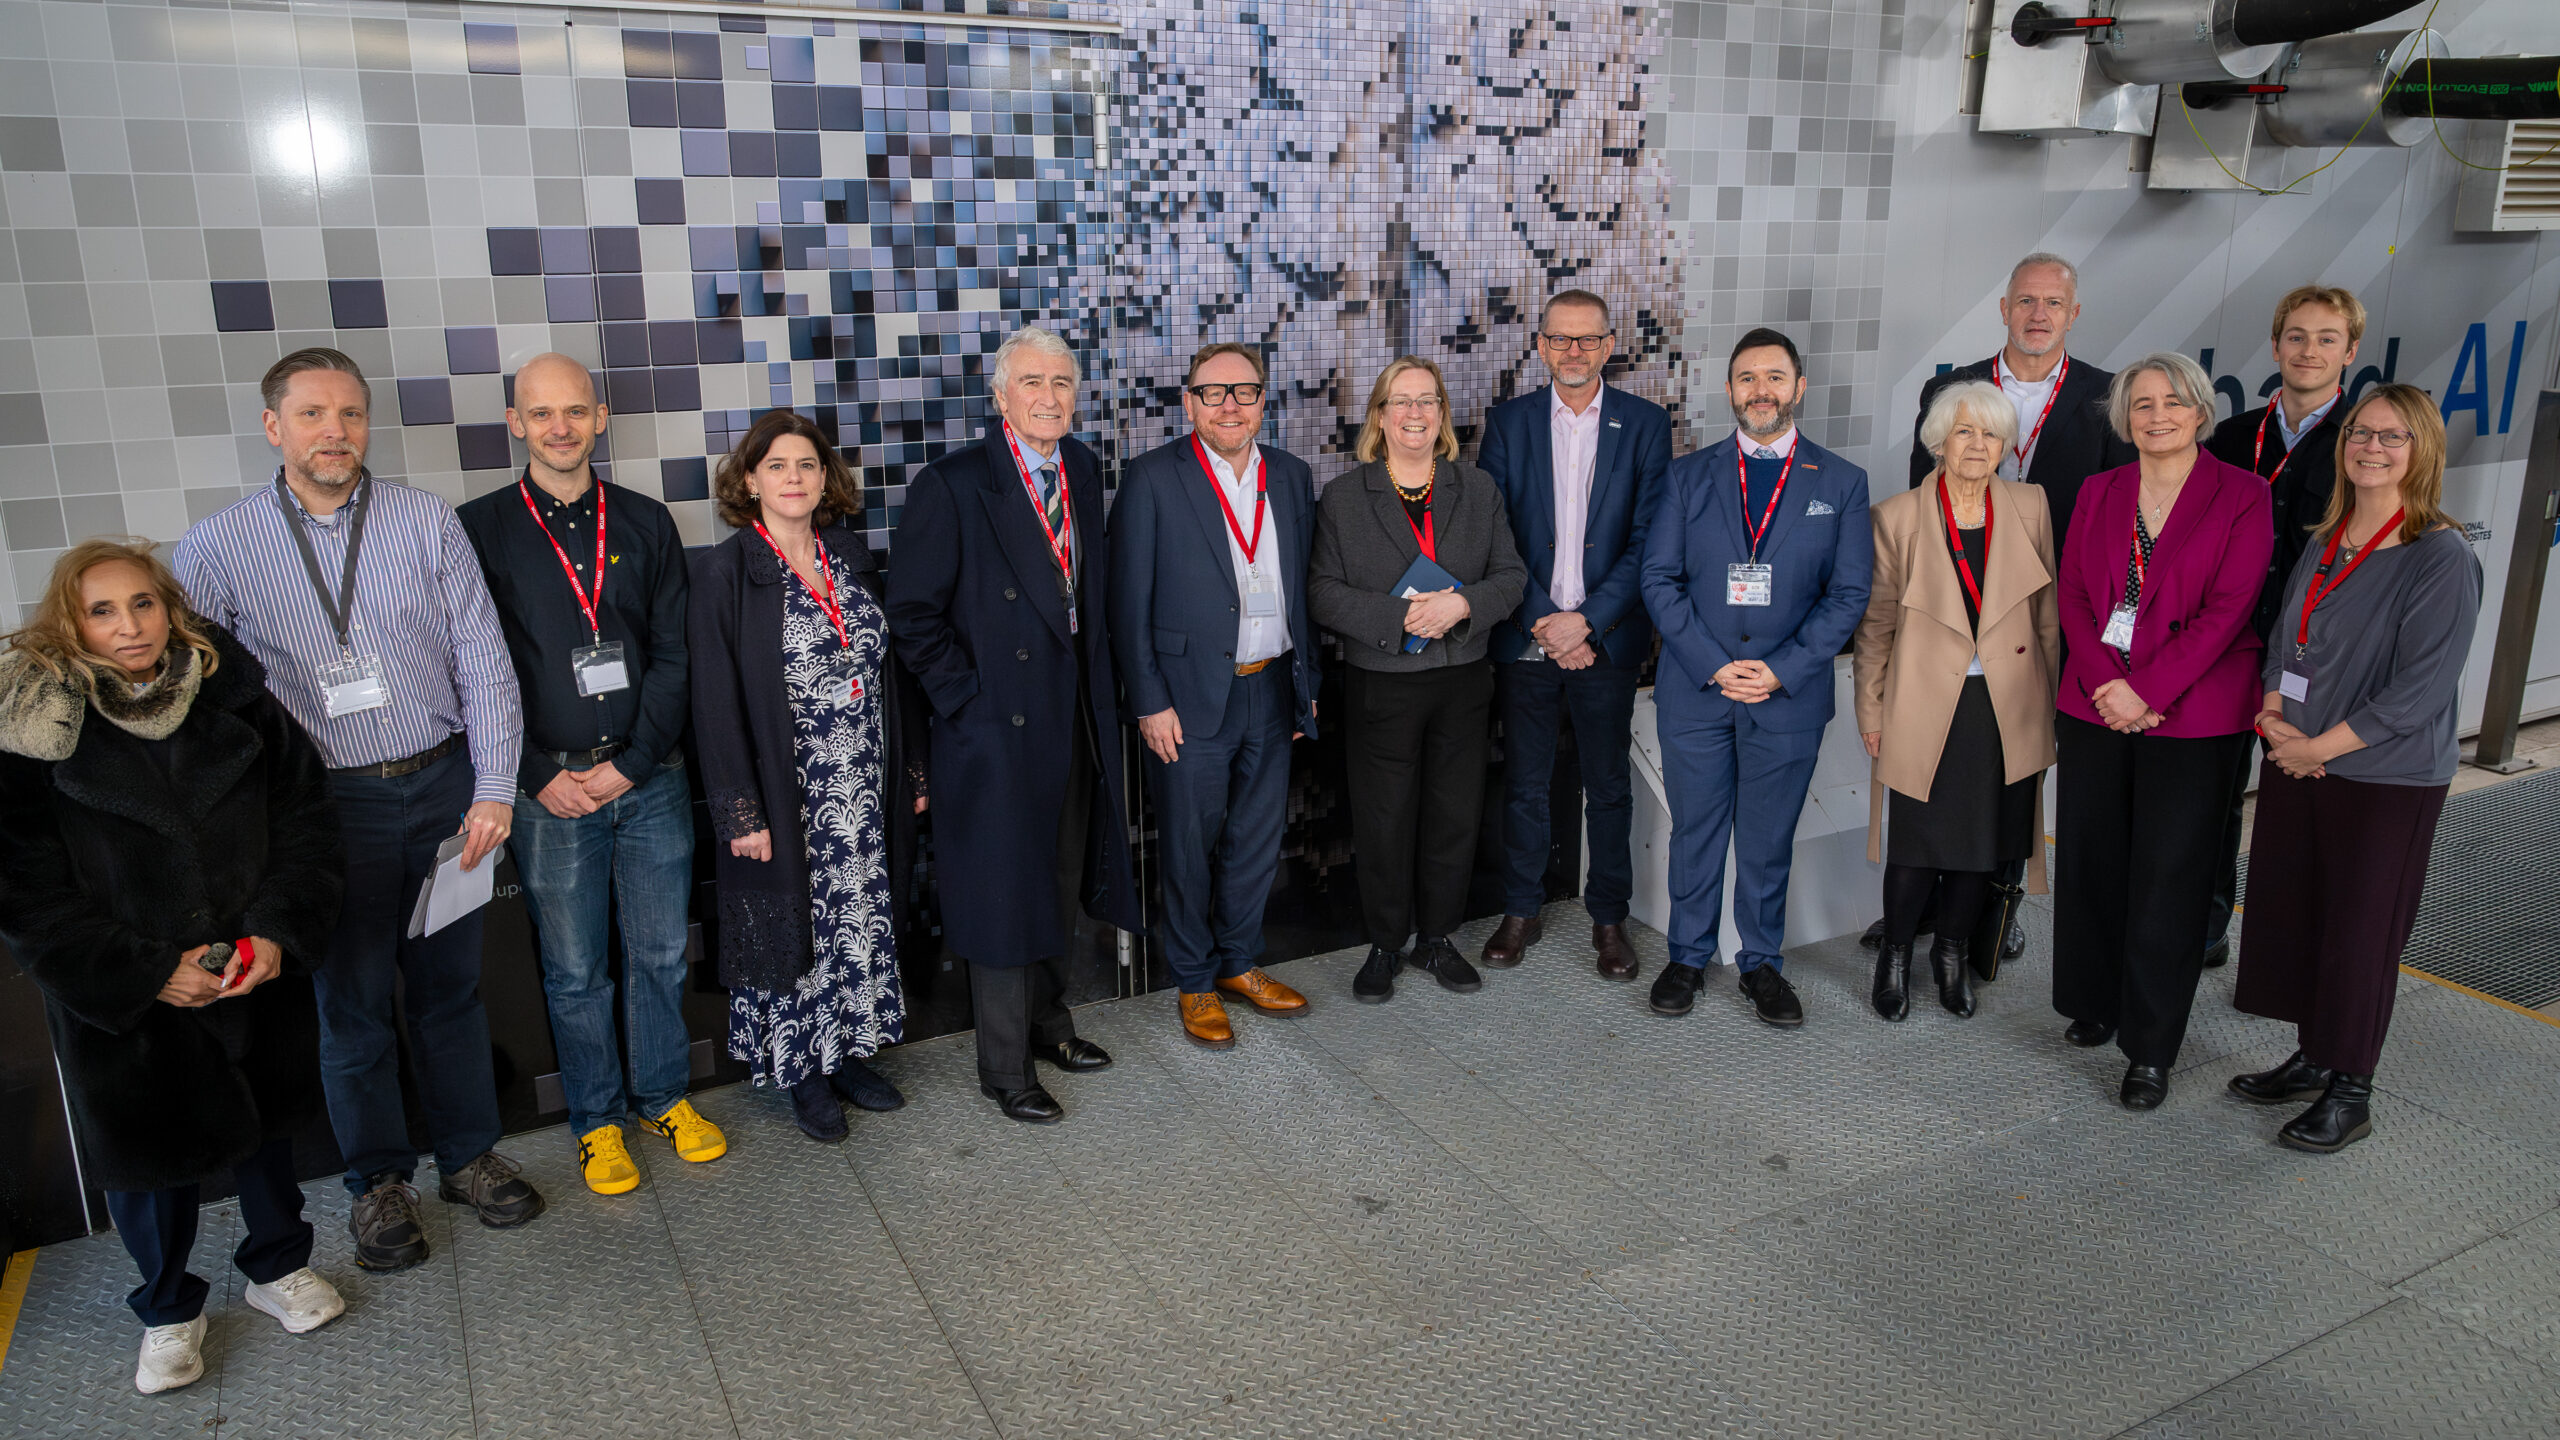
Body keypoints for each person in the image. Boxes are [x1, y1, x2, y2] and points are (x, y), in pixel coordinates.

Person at [173, 348, 540, 1271]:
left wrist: (494, 786)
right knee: (353, 1006)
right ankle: (378, 1184)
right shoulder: (217, 548)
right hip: (327, 810)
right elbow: (196, 697)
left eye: (349, 415)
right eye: (311, 416)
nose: (333, 433)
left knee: (451, 993)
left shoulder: (424, 522)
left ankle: (466, 1158)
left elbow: (483, 659)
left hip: (446, 787)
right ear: (274, 427)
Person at [0, 540, 348, 1393]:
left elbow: (307, 820)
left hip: (246, 966)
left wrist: (272, 933)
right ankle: (166, 1309)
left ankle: (277, 1267)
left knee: (267, 1131)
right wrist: (147, 970)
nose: (131, 627)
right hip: (128, 991)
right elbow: (26, 893)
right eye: (104, 611)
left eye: (144, 605)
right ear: (70, 623)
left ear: (171, 608)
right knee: (149, 1157)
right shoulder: (35, 726)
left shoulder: (236, 697)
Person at [456, 354, 722, 1193]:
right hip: (550, 793)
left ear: (600, 418)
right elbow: (472, 666)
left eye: (575, 411)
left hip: (651, 781)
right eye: (542, 415)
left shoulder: (644, 521)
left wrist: (636, 763)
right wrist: (534, 773)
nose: (560, 428)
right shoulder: (478, 528)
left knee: (658, 956)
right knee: (576, 971)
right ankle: (596, 1122)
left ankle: (663, 1098)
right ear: (516, 423)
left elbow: (677, 655)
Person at [886, 326, 1141, 1124]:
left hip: (1072, 716)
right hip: (993, 729)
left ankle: (1048, 1024)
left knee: (1059, 877)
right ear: (1000, 397)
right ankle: (1003, 1068)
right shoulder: (956, 484)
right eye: (1032, 383)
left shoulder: (1083, 468)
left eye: (1062, 383)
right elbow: (913, 616)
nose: (1049, 397)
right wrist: (969, 702)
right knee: (1002, 892)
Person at [2231, 385, 2482, 1153]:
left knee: (2362, 930)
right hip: (2299, 756)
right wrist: (2275, 708)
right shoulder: (2329, 534)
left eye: (2394, 437)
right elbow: (2286, 636)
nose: (2372, 447)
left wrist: (2316, 747)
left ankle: (2352, 1088)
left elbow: (2419, 691)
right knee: (2304, 912)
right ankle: (2314, 1054)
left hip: (2383, 779)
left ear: (2424, 452)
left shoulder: (2440, 556)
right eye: (2362, 434)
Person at [1876, 252, 2133, 961]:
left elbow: (2113, 520)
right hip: (1952, 614)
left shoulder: (2107, 396)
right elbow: (1917, 509)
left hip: (2042, 613)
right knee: (1935, 774)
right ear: (2004, 308)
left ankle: (1993, 913)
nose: (2039, 314)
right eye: (2025, 300)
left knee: (2010, 779)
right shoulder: (1948, 387)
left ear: (2073, 314)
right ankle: (1917, 915)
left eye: (2053, 302)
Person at [692, 412, 925, 1141]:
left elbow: (895, 674)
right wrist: (741, 814)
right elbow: (713, 703)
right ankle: (803, 1071)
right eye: (778, 466)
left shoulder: (851, 556)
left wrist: (911, 769)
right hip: (788, 795)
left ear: (826, 479)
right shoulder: (726, 572)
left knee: (856, 923)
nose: (794, 478)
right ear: (750, 480)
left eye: (807, 465)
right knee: (796, 936)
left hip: (864, 784)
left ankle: (850, 1051)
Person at [2050, 353, 2270, 1111]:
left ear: (2201, 412)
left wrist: (2145, 691)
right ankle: (2095, 1000)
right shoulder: (2099, 490)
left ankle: (2150, 1048)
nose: (2157, 416)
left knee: (2169, 881)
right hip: (2095, 703)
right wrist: (2109, 686)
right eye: (2141, 405)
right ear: (2124, 418)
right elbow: (2075, 593)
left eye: (2172, 402)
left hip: (2194, 713)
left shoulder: (2243, 496)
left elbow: (2229, 610)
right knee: (2093, 862)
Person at [1640, 328, 1873, 1027]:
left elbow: (1849, 595)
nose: (1760, 390)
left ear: (1799, 388)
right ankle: (1687, 956)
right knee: (1696, 831)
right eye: (1747, 378)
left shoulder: (1842, 483)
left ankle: (1762, 963)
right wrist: (1716, 664)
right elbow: (1659, 579)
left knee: (1768, 840)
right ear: (1730, 390)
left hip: (1786, 696)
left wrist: (1780, 670)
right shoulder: (1688, 475)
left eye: (1775, 377)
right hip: (1699, 690)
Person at [1108, 342, 1318, 1049]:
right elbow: (1126, 604)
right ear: (1189, 401)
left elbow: (1304, 596)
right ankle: (1194, 981)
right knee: (1191, 847)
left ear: (1264, 400)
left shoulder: (1290, 476)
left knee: (1256, 842)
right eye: (1213, 392)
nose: (1230, 404)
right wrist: (1149, 700)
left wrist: (1303, 690)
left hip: (1271, 687)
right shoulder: (1153, 479)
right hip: (1187, 699)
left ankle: (1238, 964)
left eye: (1245, 391)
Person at [1307, 355, 1529, 1004]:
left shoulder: (1478, 489)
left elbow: (1512, 578)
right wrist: (1402, 615)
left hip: (1462, 677)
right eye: (1399, 401)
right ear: (1379, 415)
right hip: (1383, 680)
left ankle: (1436, 938)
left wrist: (1460, 606)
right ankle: (1384, 943)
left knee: (1454, 814)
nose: (1414, 413)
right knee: (1384, 817)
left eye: (1426, 401)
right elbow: (1321, 592)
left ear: (1442, 415)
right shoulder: (1345, 497)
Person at [1475, 290, 1672, 980]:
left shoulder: (1646, 425)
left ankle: (1609, 920)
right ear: (1540, 346)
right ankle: (1521, 909)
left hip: (1605, 639)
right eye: (1560, 340)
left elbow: (1649, 541)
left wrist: (1586, 622)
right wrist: (1545, 620)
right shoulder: (1509, 423)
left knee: (1608, 787)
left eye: (1587, 340)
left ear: (1609, 344)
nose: (1574, 352)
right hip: (1527, 637)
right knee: (1525, 784)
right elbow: (1492, 533)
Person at [1854, 382, 2060, 1021]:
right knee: (1916, 843)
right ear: (1940, 440)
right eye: (1965, 432)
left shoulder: (2030, 505)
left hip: (2006, 703)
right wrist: (1871, 710)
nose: (1978, 446)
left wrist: (2049, 712)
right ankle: (1894, 955)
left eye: (1991, 434)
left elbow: (2045, 618)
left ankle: (1950, 954)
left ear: (2006, 444)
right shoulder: (1898, 517)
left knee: (1984, 839)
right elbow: (1877, 625)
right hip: (1923, 704)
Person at [2198, 285, 2366, 970]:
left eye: (2327, 339)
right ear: (2275, 347)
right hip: (2228, 647)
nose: (2309, 350)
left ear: (2350, 352)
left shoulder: (2366, 444)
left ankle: (2290, 952)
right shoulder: (2233, 437)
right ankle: (2207, 926)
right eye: (2296, 336)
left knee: (2301, 806)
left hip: (2311, 660)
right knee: (2214, 796)